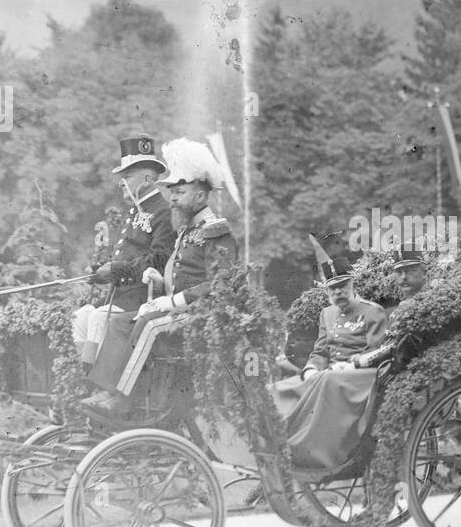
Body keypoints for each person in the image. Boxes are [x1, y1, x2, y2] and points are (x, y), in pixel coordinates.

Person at [81, 139, 236, 419]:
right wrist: (161, 283)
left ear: (200, 197)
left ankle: (123, 398)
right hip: (182, 308)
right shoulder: (188, 231)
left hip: (204, 314)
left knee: (148, 325)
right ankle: (105, 389)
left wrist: (171, 300)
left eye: (179, 193)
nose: (172, 198)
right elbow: (182, 276)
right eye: (172, 192)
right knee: (118, 322)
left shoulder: (216, 231)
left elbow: (220, 284)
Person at [274, 259, 390, 471]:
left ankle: (314, 453)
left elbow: (377, 352)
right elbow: (321, 351)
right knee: (278, 389)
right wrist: (310, 368)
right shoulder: (327, 314)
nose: (338, 293)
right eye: (333, 288)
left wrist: (351, 367)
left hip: (360, 381)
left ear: (352, 284)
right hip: (330, 378)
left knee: (326, 379)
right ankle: (284, 445)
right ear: (327, 289)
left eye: (342, 286)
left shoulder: (373, 312)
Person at [72, 136, 174, 368]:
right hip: (122, 295)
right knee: (81, 315)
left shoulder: (163, 213)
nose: (121, 183)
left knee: (98, 317)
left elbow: (159, 260)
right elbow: (126, 257)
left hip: (143, 296)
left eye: (127, 176)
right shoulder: (134, 213)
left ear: (147, 178)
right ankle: (84, 374)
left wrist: (116, 269)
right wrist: (100, 271)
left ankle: (95, 381)